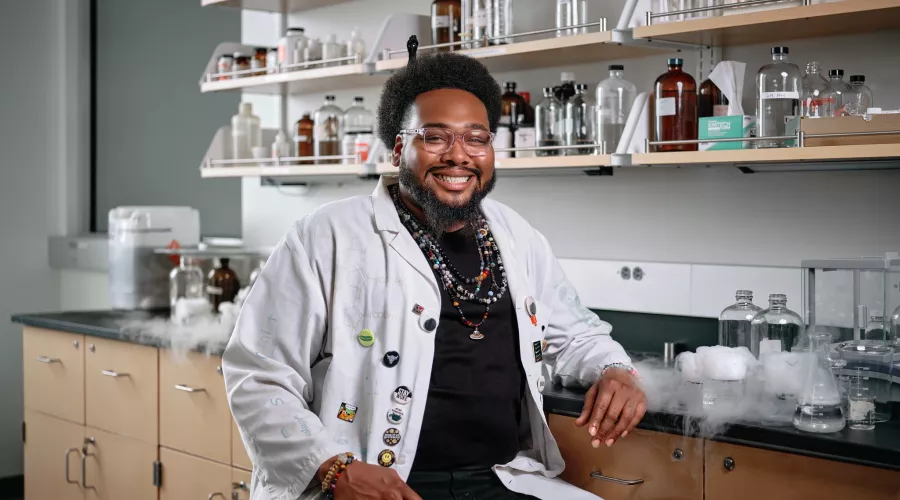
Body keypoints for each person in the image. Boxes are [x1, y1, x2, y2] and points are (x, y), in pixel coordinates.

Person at [222, 51, 647, 500]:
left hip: (499, 478)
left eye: (476, 139)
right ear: (399, 147)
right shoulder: (326, 235)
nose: (459, 156)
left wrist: (615, 369)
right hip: (378, 484)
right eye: (436, 137)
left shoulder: (517, 237)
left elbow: (575, 333)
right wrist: (334, 470)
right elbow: (259, 375)